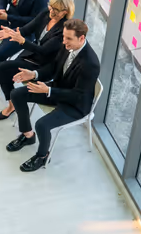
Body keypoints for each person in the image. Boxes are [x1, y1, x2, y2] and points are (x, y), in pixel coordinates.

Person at [6, 19, 100, 172]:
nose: (64, 41)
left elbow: (78, 95)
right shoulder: (67, 46)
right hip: (57, 91)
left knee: (42, 125)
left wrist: (48, 91)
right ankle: (28, 135)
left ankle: (42, 157)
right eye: (64, 37)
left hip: (75, 105)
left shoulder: (91, 63)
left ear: (81, 38)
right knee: (17, 94)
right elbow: (53, 68)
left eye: (68, 38)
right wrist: (34, 74)